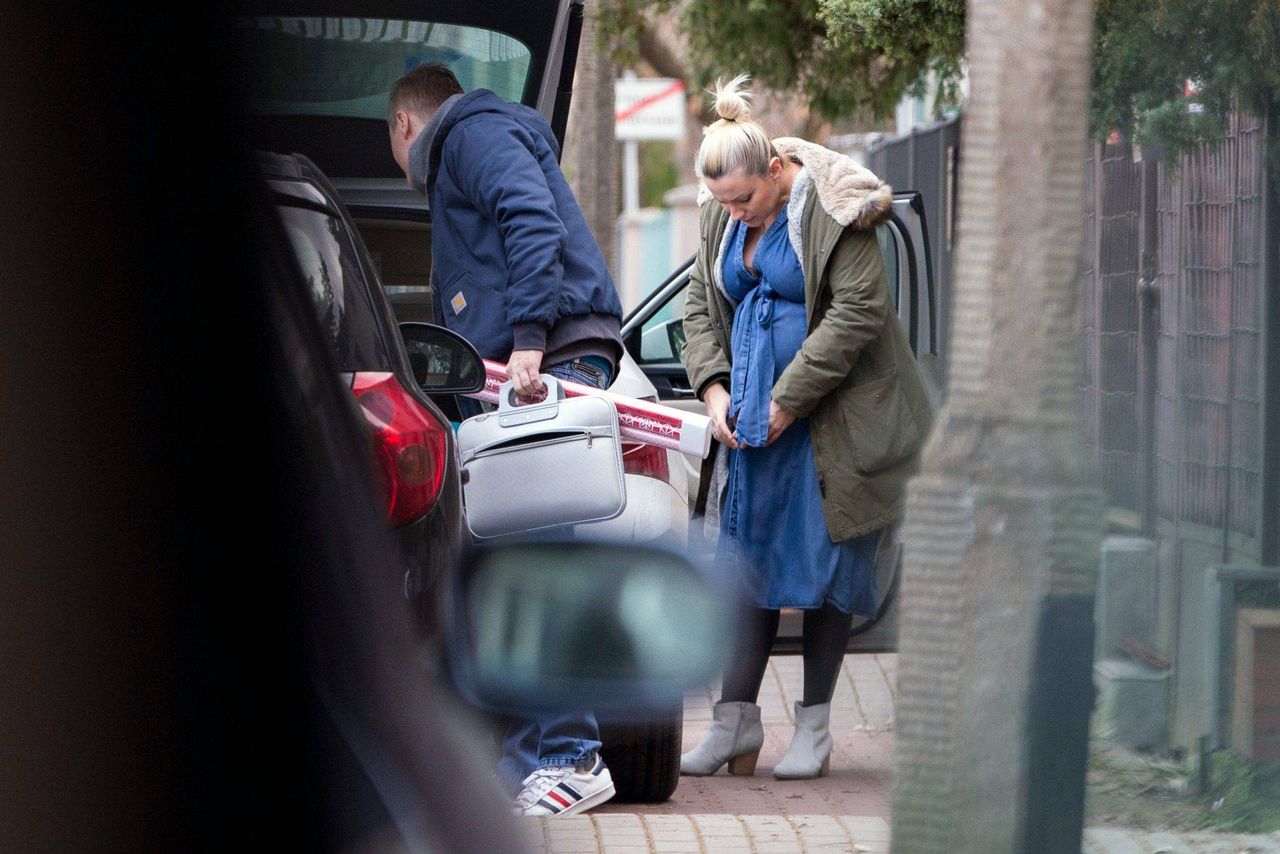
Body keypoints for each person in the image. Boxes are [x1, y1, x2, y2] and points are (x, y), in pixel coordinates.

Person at [679, 76, 932, 780]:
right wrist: (714, 389)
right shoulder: (722, 213)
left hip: (834, 422)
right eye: (724, 204)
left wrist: (787, 399)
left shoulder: (835, 207)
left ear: (776, 170)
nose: (736, 215)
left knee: (828, 566)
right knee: (746, 564)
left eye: (746, 200)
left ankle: (815, 727)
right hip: (755, 426)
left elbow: (859, 311)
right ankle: (734, 722)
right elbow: (700, 305)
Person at [387, 63, 622, 816]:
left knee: (535, 563)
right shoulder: (475, 140)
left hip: (542, 364)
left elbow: (531, 218)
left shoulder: (471, 134)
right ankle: (536, 760)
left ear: (404, 126)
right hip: (534, 366)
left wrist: (526, 339)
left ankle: (569, 756)